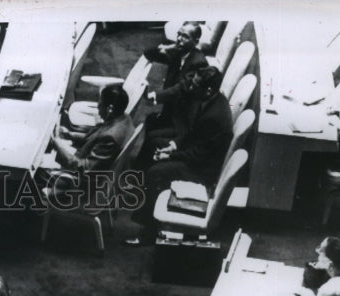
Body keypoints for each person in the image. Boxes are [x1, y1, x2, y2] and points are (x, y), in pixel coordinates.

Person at [127, 66, 232, 245]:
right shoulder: (211, 100)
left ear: (208, 89)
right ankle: (139, 195)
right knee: (154, 145)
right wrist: (173, 146)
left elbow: (198, 155)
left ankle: (148, 232)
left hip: (201, 171)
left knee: (156, 172)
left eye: (195, 85)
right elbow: (193, 132)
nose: (191, 88)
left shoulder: (214, 116)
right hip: (196, 157)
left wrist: (171, 156)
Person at [46, 84, 134, 203]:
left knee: (35, 175)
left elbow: (83, 169)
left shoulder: (111, 137)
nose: (97, 107)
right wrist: (69, 134)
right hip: (95, 169)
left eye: (100, 104)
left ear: (110, 109)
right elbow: (97, 137)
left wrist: (57, 145)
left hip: (83, 187)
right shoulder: (124, 118)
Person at [141, 22, 208, 152]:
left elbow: (181, 88)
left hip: (182, 120)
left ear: (195, 41)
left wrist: (155, 96)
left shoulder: (199, 62)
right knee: (150, 121)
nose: (179, 39)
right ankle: (143, 163)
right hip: (170, 111)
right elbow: (149, 53)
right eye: (178, 34)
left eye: (185, 36)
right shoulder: (178, 53)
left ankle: (144, 166)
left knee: (152, 137)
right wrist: (168, 46)